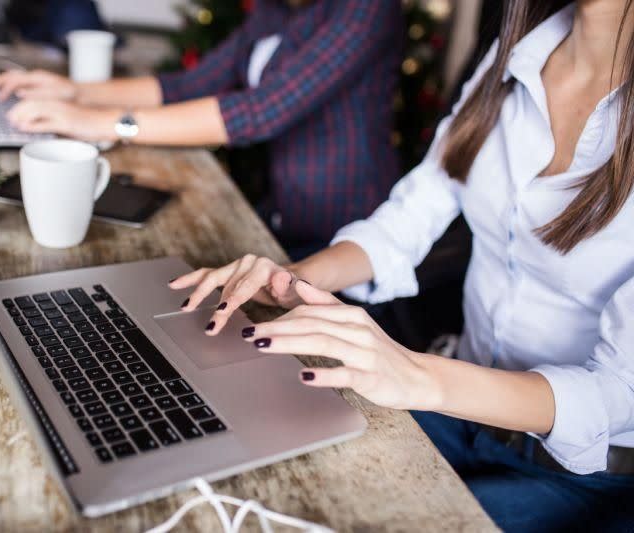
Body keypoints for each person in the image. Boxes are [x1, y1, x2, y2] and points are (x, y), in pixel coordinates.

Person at [167, 1, 634, 530]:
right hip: (458, 418)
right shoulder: (516, 56)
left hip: (584, 478)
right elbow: (412, 214)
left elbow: (620, 392)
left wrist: (416, 375)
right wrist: (295, 279)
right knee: (257, 476)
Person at [0, 0, 402, 259]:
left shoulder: (366, 8)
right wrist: (74, 91)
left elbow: (261, 111)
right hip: (282, 213)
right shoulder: (276, 11)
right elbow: (187, 84)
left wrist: (99, 121)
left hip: (345, 232)